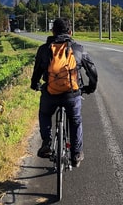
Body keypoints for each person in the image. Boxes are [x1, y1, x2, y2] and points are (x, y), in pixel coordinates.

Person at [30, 17, 98, 167]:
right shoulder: (78, 48)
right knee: (75, 120)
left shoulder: (44, 49)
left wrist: (35, 85)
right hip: (72, 94)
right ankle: (76, 154)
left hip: (50, 94)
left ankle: (47, 142)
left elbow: (37, 71)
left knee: (45, 114)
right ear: (70, 31)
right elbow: (92, 70)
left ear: (52, 31)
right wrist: (90, 88)